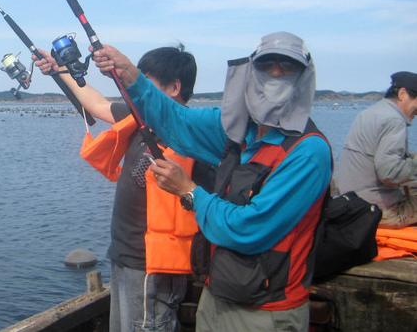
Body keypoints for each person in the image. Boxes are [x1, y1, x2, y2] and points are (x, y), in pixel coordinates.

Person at [92, 31, 332, 332]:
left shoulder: (308, 151)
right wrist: (131, 76)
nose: (275, 73)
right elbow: (177, 122)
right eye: (267, 64)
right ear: (251, 71)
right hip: (217, 298)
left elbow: (249, 228)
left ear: (303, 77)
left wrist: (188, 190)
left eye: (287, 67)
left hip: (268, 313)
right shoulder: (236, 131)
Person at [35, 44, 210, 332]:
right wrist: (59, 69)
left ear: (174, 87)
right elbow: (96, 104)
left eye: (144, 80)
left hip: (153, 266)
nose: (133, 86)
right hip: (125, 257)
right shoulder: (140, 115)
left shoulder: (193, 134)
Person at [334, 71, 417, 228]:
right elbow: (389, 173)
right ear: (402, 93)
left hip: (350, 204)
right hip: (377, 212)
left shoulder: (369, 113)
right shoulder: (394, 120)